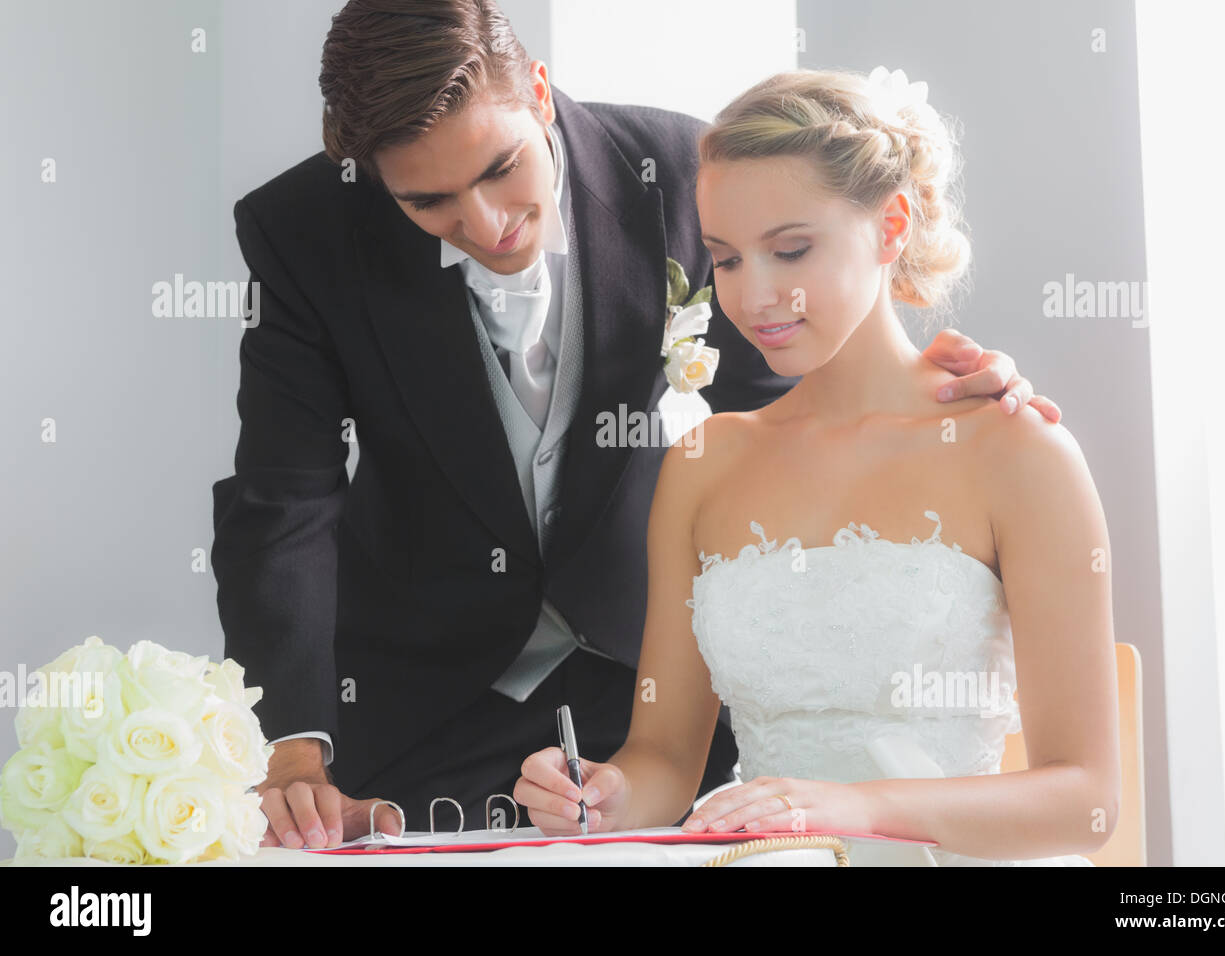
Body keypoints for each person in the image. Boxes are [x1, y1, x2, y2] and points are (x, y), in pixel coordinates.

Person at [212, 0, 1061, 849]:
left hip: (652, 693)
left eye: (500, 169)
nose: (484, 224)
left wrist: (933, 403)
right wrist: (292, 743)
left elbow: (791, 403)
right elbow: (284, 500)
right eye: (429, 201)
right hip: (422, 695)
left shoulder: (681, 171)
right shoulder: (306, 231)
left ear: (539, 93)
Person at [514, 66, 1120, 865]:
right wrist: (599, 794)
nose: (756, 296)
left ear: (891, 225)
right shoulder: (703, 463)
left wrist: (850, 810)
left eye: (791, 250)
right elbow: (664, 760)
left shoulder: (1017, 451)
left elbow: (1088, 801)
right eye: (726, 260)